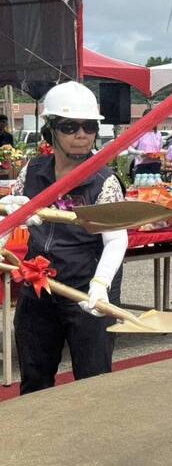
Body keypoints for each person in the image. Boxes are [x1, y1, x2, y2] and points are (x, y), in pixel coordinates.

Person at [11, 81, 127, 394]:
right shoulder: (32, 172)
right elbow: (11, 216)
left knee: (92, 381)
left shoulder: (104, 181)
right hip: (39, 285)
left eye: (89, 127)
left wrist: (101, 285)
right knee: (35, 378)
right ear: (50, 131)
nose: (81, 135)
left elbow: (116, 239)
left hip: (86, 290)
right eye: (69, 127)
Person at [127, 108, 163, 176]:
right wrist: (139, 152)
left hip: (156, 165)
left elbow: (160, 149)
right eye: (148, 118)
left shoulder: (158, 134)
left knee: (156, 186)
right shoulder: (139, 133)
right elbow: (129, 149)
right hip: (142, 165)